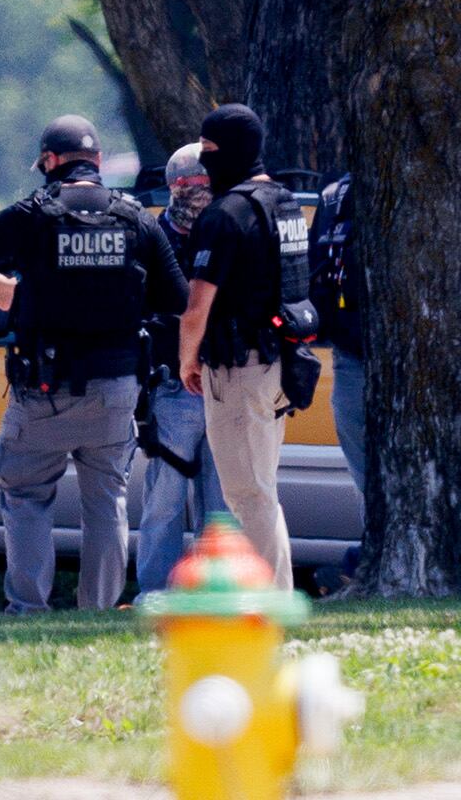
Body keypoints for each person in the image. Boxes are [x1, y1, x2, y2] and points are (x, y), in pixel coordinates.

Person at [0, 115, 185, 612]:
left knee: (27, 498)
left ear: (49, 161)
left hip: (44, 388)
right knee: (106, 503)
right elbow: (177, 296)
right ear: (98, 162)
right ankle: (99, 612)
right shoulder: (135, 217)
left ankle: (28, 610)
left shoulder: (32, 214)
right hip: (116, 386)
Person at [175, 104, 307, 590]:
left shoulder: (225, 213)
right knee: (261, 492)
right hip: (279, 365)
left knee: (248, 496)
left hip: (239, 369)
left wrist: (187, 361)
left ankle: (267, 604)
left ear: (228, 150)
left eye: (209, 150)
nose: (205, 162)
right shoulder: (286, 202)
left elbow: (196, 309)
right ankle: (276, 594)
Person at [133, 143, 226, 596]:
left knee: (222, 506)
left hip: (226, 382)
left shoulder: (228, 230)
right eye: (192, 184)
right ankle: (156, 595)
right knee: (164, 503)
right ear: (174, 187)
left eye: (207, 184)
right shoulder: (154, 237)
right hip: (172, 388)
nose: (200, 193)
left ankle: (216, 597)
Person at [309, 170, 368, 580]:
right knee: (365, 472)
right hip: (351, 356)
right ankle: (375, 550)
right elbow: (315, 277)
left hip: (416, 361)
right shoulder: (334, 200)